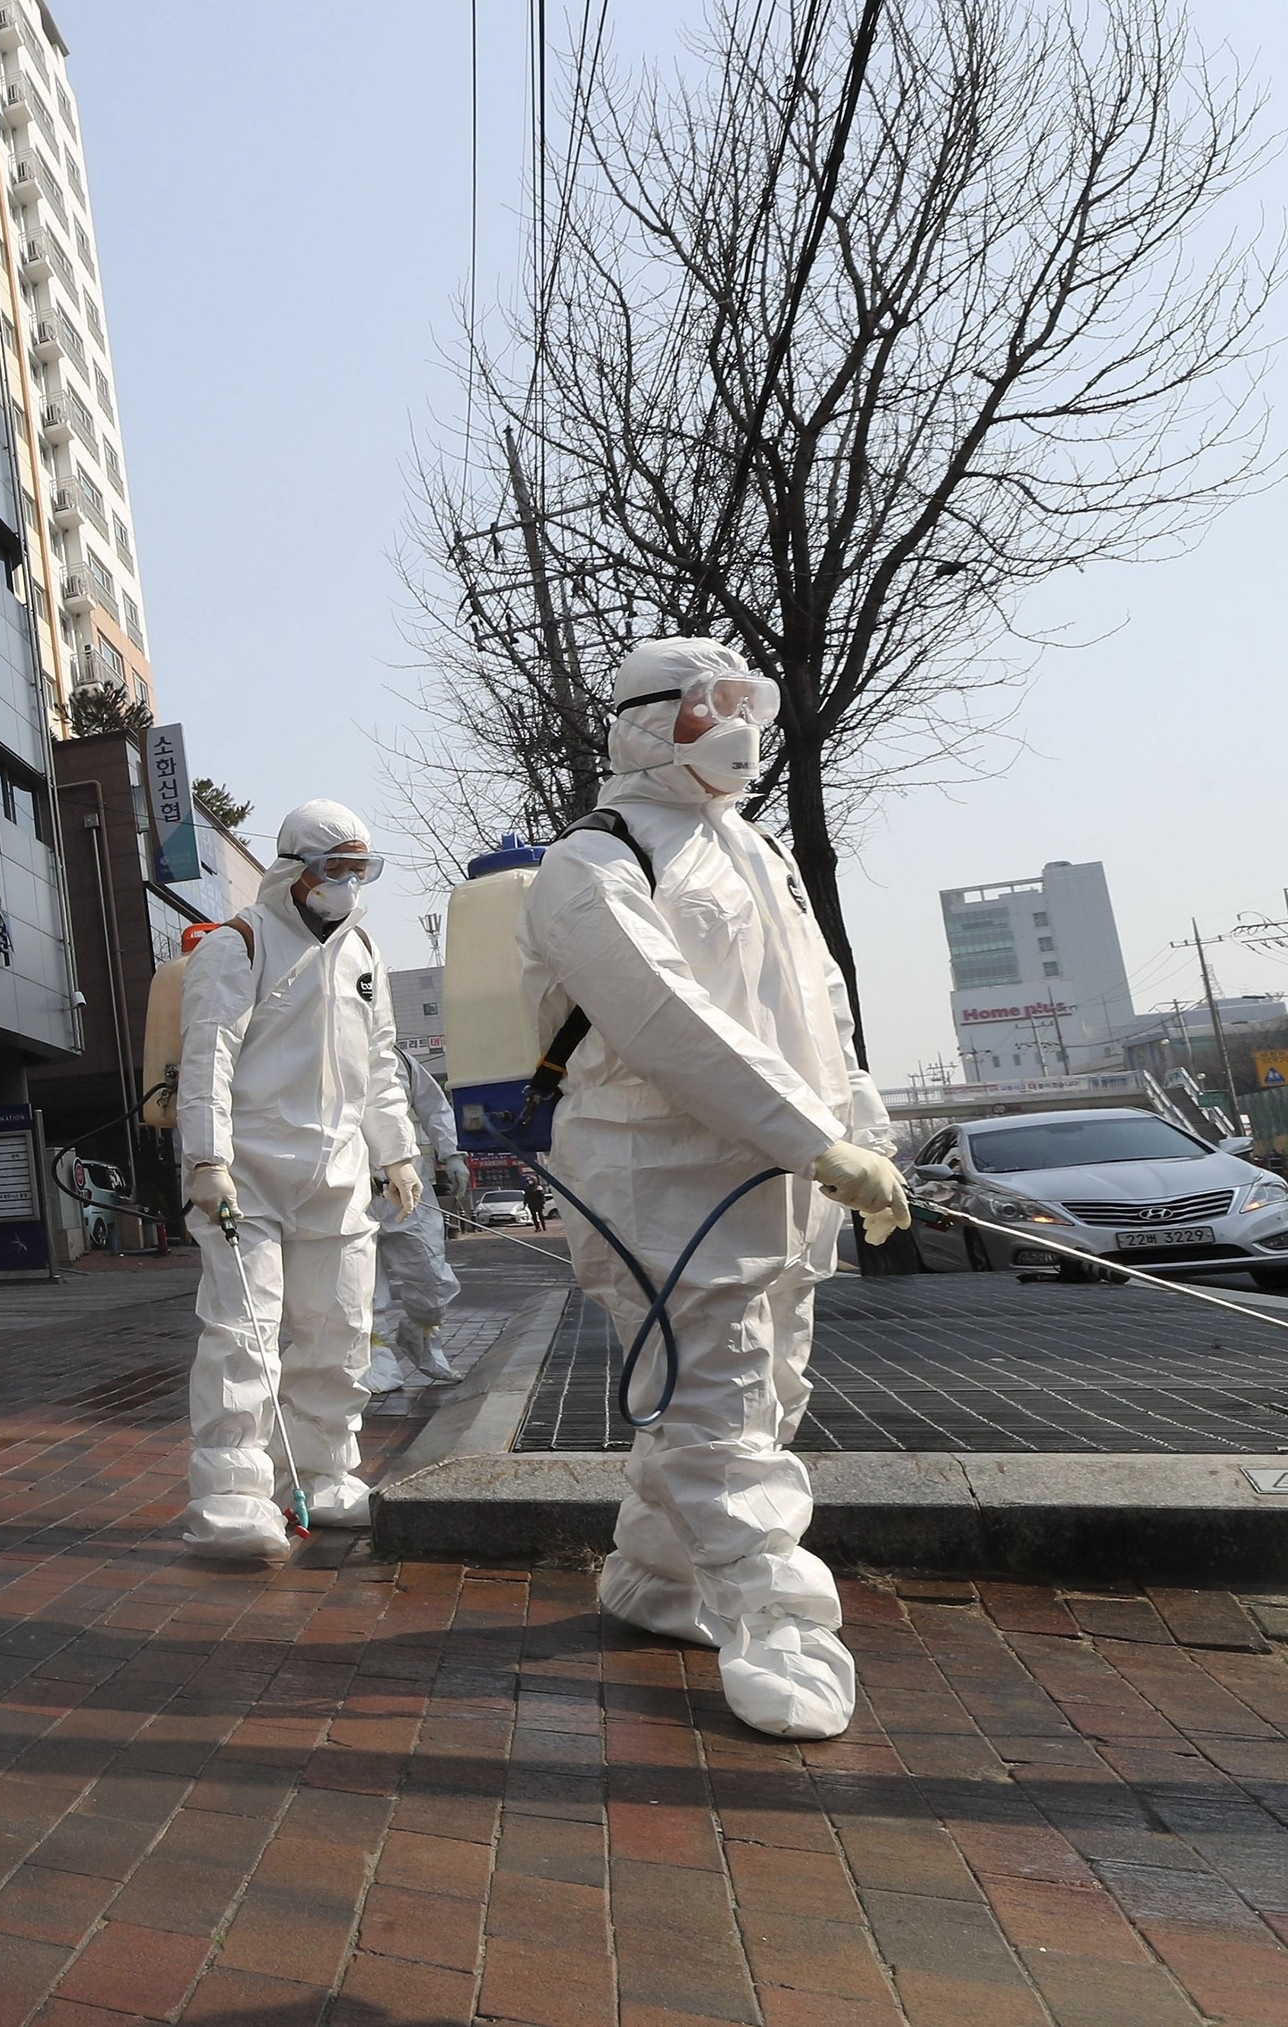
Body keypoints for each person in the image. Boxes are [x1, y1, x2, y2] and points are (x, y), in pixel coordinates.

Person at [521, 637, 907, 1742]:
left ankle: (653, 1579)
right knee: (719, 1406)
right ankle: (776, 1630)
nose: (735, 724)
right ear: (646, 718)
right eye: (707, 705)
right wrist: (811, 1138)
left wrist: (856, 1133)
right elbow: (662, 1021)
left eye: (745, 702)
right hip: (660, 1178)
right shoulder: (589, 863)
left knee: (754, 1392)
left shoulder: (758, 854)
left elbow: (819, 1010)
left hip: (779, 1177)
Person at [171, 800, 421, 1559]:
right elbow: (208, 1055)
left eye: (359, 870)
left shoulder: (363, 954)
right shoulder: (237, 947)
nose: (346, 885)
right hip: (248, 1175)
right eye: (334, 869)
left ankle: (324, 1471)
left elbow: (379, 1065)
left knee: (339, 1331)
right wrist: (206, 1158)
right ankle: (231, 1494)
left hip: (338, 1175)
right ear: (294, 868)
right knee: (244, 1335)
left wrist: (396, 1150)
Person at [364, 1053, 465, 1389]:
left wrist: (451, 1153)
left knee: (431, 1275)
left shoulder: (398, 1059)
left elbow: (434, 1105)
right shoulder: (314, 1045)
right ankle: (374, 1358)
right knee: (361, 1284)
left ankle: (421, 1335)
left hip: (407, 1187)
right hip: (348, 1188)